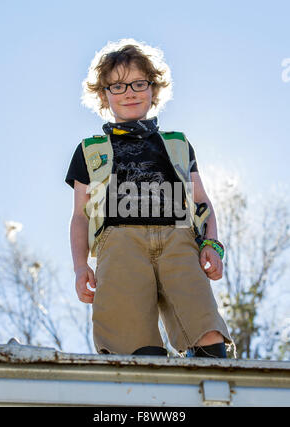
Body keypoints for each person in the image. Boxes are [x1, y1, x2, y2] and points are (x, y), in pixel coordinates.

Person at [65, 38, 234, 358]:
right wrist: (79, 266)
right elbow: (80, 215)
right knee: (128, 336)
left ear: (153, 89)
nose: (129, 91)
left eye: (139, 83)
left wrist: (211, 243)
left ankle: (211, 384)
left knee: (203, 323)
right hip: (119, 241)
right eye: (117, 86)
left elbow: (202, 201)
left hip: (178, 238)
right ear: (104, 95)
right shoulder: (89, 150)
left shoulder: (178, 144)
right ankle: (141, 395)